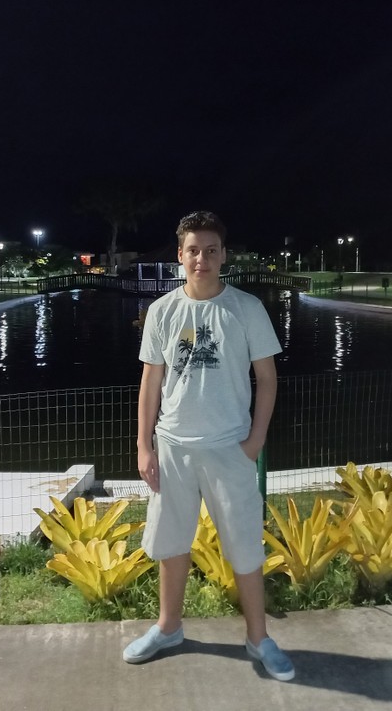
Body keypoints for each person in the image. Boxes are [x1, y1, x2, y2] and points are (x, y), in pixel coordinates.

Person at [123, 211, 294, 682]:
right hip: (172, 446)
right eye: (193, 251)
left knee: (244, 543)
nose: (202, 259)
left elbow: (267, 378)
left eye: (211, 251)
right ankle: (168, 627)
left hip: (228, 447)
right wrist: (143, 445)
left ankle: (259, 637)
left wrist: (255, 440)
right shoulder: (162, 311)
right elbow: (151, 382)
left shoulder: (246, 308)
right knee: (172, 541)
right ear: (180, 255)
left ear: (223, 255)